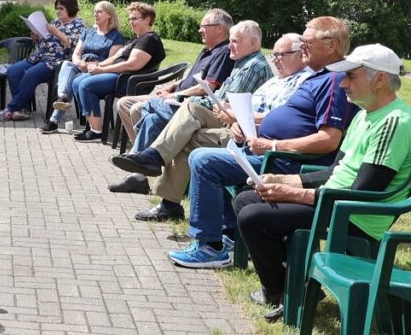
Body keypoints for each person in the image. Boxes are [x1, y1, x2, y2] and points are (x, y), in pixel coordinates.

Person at [116, 17, 356, 224]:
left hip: (273, 153)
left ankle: (208, 234)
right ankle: (164, 183)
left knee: (197, 150)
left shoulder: (331, 80)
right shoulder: (310, 78)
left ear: (331, 45)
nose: (276, 59)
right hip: (247, 133)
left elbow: (327, 139)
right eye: (275, 54)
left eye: (306, 43)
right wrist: (239, 122)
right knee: (185, 122)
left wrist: (269, 143)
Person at [235, 44, 411, 322]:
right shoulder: (364, 114)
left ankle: (283, 292)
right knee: (245, 199)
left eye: (351, 76)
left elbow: (363, 192)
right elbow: (335, 171)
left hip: (354, 215)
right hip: (335, 202)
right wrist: (285, 180)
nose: (343, 84)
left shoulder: (395, 122)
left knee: (253, 216)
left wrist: (292, 193)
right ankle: (293, 287)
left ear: (379, 79)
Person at [112, 21, 272, 239]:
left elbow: (227, 105)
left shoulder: (253, 66)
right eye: (231, 41)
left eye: (235, 41)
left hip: (238, 128)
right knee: (182, 127)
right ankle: (165, 192)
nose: (230, 45)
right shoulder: (242, 63)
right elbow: (222, 101)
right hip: (226, 120)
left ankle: (155, 164)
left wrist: (188, 98)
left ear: (253, 43)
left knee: (187, 113)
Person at [108, 33, 312, 195]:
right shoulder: (275, 79)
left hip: (251, 134)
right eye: (274, 55)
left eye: (280, 55)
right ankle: (152, 162)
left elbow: (277, 118)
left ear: (300, 53)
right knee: (179, 112)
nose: (275, 60)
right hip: (234, 121)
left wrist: (237, 117)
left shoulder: (299, 81)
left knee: (177, 122)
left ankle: (161, 185)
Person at [113, 8, 235, 149]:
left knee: (135, 108)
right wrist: (172, 86)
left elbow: (206, 87)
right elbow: (193, 78)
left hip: (186, 103)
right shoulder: (208, 50)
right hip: (176, 96)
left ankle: (144, 153)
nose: (199, 30)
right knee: (124, 104)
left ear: (219, 28)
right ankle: (141, 151)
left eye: (204, 26)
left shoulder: (223, 53)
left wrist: (173, 95)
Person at [71, 2, 167, 142]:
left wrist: (102, 70)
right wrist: (97, 65)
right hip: (119, 76)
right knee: (77, 81)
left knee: (86, 85)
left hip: (130, 81)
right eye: (130, 19)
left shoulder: (149, 39)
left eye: (135, 19)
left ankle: (96, 131)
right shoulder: (137, 38)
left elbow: (132, 65)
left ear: (147, 20)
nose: (131, 22)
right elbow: (116, 57)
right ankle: (92, 124)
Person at [0, 0, 87, 122]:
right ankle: (23, 109)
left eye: (61, 8)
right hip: (39, 57)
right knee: (13, 71)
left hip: (56, 62)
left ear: (71, 8)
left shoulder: (79, 26)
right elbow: (45, 40)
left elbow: (74, 47)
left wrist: (57, 33)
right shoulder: (55, 22)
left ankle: (10, 109)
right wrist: (37, 38)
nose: (58, 11)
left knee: (30, 74)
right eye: (57, 8)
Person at [45, 0, 124, 132]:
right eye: (95, 12)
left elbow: (111, 60)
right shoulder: (88, 32)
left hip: (99, 70)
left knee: (73, 81)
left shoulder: (116, 37)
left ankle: (53, 120)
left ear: (109, 15)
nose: (95, 14)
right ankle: (62, 97)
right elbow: (76, 53)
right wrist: (80, 63)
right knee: (67, 64)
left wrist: (93, 66)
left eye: (99, 12)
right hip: (82, 65)